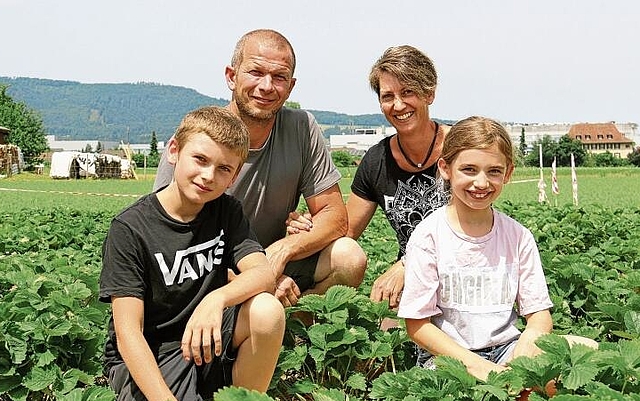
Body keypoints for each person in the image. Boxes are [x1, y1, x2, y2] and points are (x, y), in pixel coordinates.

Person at [154, 29, 366, 308]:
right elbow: (168, 238)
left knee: (349, 257)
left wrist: (285, 248)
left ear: (290, 86)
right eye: (256, 72)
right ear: (231, 76)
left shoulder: (301, 128)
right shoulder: (201, 133)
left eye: (279, 77)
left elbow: (336, 217)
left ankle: (297, 329)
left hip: (274, 260)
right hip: (208, 268)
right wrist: (257, 278)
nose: (266, 86)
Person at [100, 106, 285, 401]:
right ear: (174, 151)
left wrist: (217, 298)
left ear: (234, 176)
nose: (208, 176)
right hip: (153, 351)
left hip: (206, 337)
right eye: (200, 159)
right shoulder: (131, 229)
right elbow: (129, 332)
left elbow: (263, 274)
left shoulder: (226, 211)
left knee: (267, 311)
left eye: (224, 169)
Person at [397, 116, 597, 381]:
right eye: (469, 169)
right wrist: (479, 368)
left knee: (589, 350)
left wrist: (525, 352)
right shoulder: (428, 236)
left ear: (508, 173)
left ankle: (518, 394)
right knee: (495, 389)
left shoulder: (518, 236)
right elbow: (417, 325)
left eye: (493, 171)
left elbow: (538, 315)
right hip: (449, 356)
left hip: (507, 349)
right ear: (446, 168)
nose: (481, 183)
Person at [287, 45, 449, 309]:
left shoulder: (460, 147)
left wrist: (408, 263)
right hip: (413, 282)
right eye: (388, 96)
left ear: (429, 93)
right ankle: (299, 319)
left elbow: (473, 227)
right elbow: (345, 231)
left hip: (465, 272)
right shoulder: (376, 161)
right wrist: (307, 229)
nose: (398, 105)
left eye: (408, 92)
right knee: (387, 341)